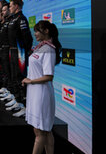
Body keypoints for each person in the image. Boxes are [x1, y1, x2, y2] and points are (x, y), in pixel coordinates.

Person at [22, 20, 62, 154]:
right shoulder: (40, 47)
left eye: (37, 31)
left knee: (40, 133)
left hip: (42, 94)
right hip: (35, 93)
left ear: (46, 31)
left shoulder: (49, 50)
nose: (35, 34)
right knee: (45, 131)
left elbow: (49, 76)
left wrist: (30, 81)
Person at [7, 0, 33, 116]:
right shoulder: (13, 18)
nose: (9, 7)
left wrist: (25, 51)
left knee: (20, 78)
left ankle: (25, 106)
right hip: (12, 51)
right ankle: (18, 101)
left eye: (11, 5)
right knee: (14, 77)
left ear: (17, 6)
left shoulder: (21, 19)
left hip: (20, 53)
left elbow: (27, 37)